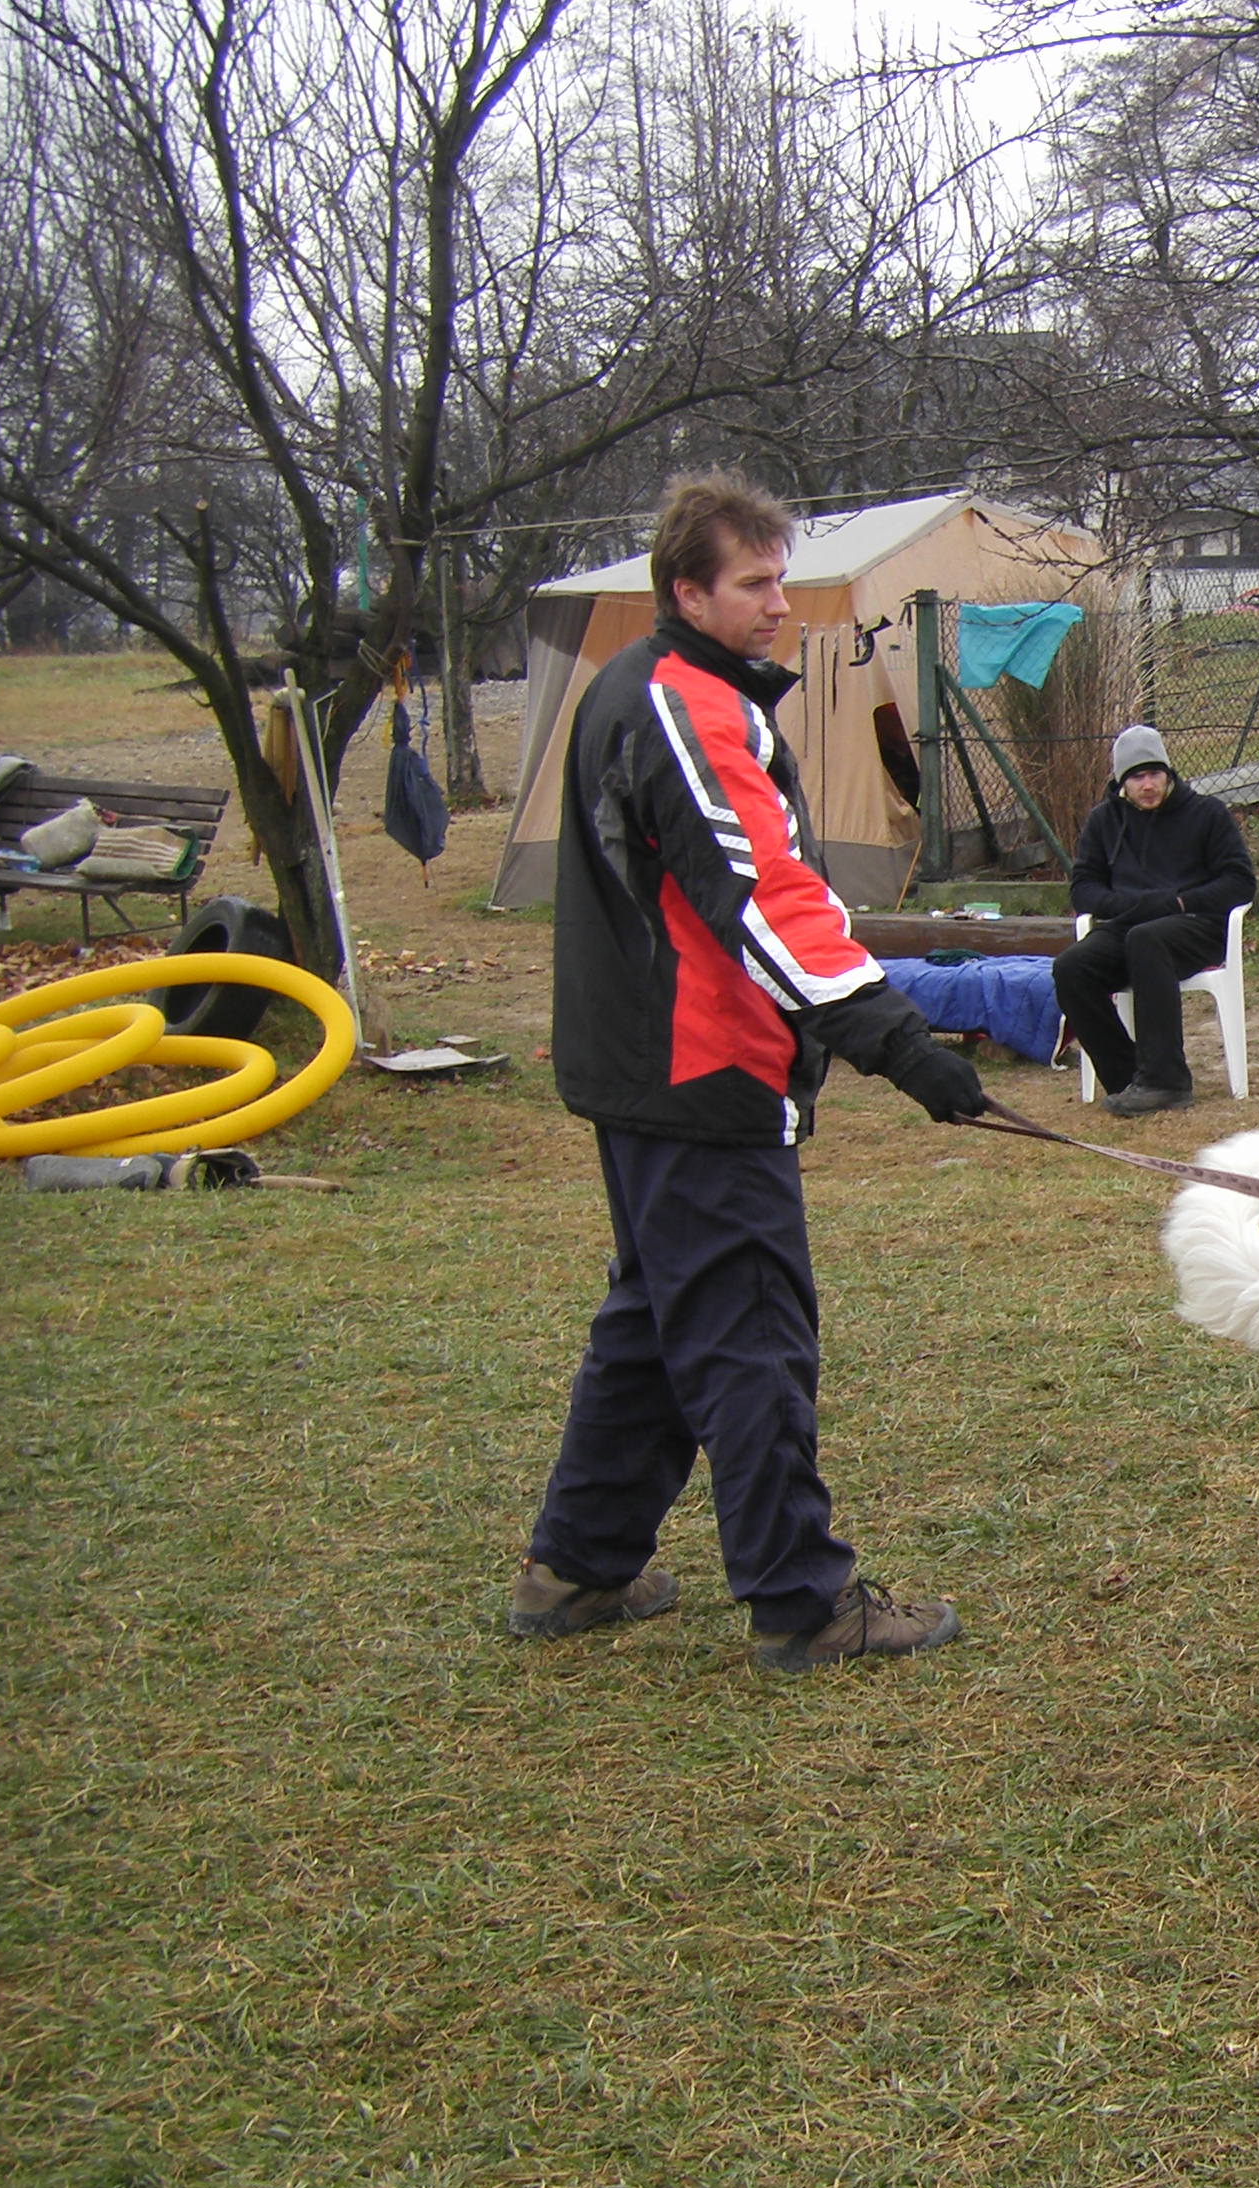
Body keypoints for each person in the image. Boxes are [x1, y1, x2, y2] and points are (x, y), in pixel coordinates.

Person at [510, 472, 986, 1674]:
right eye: (755, 583)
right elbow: (763, 898)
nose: (780, 603)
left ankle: (576, 1569)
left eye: (783, 577)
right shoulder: (683, 705)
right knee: (752, 1339)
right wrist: (895, 1040)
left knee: (658, 1325)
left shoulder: (685, 691)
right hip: (694, 1075)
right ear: (688, 591)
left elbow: (774, 884)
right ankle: (801, 1602)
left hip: (657, 1074)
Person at [1055, 724, 1257, 1116]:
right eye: (1136, 777)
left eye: (1154, 775)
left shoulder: (1206, 814)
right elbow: (1083, 889)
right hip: (1129, 923)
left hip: (1195, 925)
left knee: (1148, 939)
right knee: (1071, 967)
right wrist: (1122, 905)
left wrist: (1180, 901)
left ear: (1168, 774)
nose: (1147, 785)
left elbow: (1239, 883)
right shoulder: (1104, 821)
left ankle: (1167, 1081)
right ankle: (1128, 1076)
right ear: (1121, 783)